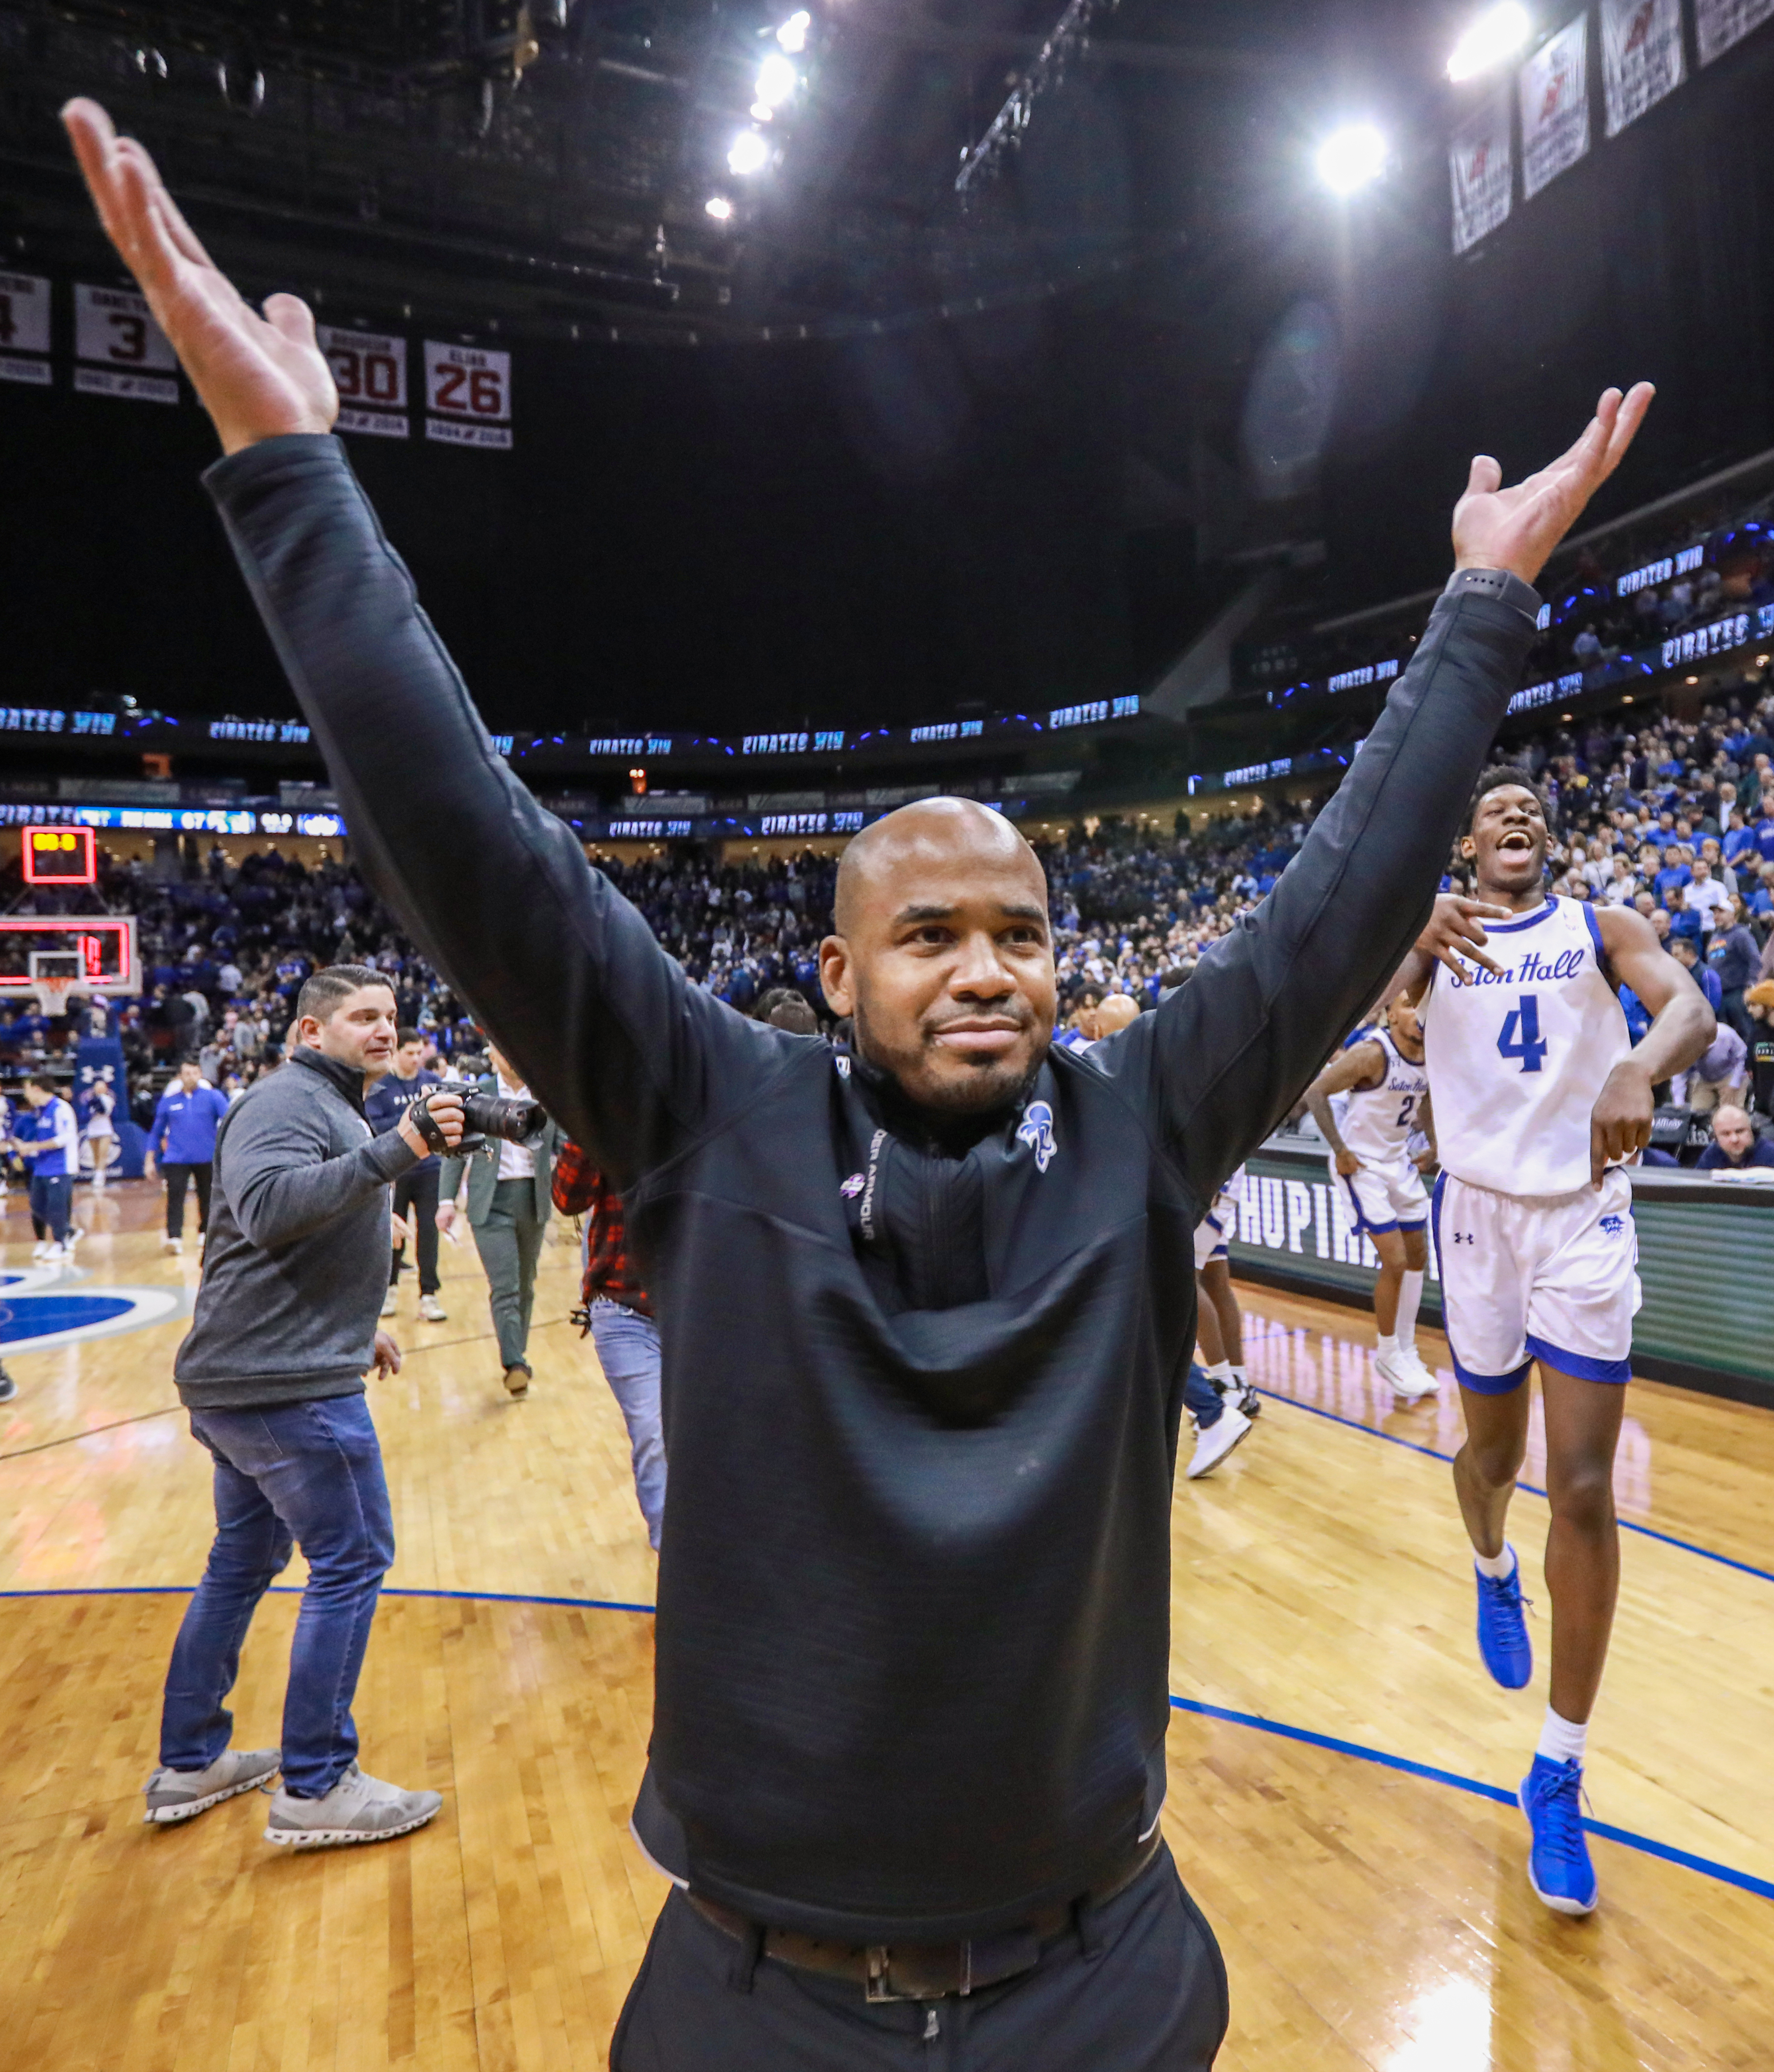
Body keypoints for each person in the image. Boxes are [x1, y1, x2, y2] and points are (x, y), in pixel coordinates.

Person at [64, 96, 1651, 2059]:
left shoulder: (1142, 1119)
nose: (987, 967)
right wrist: (294, 475)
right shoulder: (711, 1105)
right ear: (831, 975)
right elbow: (469, 833)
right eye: (928, 934)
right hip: (760, 1999)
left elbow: (1343, 891)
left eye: (1019, 929)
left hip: (1103, 1977)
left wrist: (1480, 599)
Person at [1399, 770, 1712, 1918]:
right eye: (1492, 808)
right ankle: (1489, 1568)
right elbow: (1363, 1006)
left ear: (1544, 836)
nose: (1515, 815)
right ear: (1465, 841)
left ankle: (1556, 1766)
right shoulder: (1427, 933)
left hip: (1582, 1214)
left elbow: (1684, 1003)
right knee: (1490, 1459)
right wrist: (1399, 952)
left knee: (1578, 1488)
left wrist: (1637, 1060)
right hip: (1476, 1216)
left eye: (1529, 806)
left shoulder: (1599, 926)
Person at [142, 963, 466, 1845]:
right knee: (352, 1561)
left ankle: (189, 1761)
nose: (383, 1029)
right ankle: (317, 1784)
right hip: (285, 1390)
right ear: (309, 1033)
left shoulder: (325, 1105)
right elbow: (269, 1207)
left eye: (391, 1016)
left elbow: (292, 1242)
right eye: (362, 1016)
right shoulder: (288, 1100)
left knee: (241, 1564)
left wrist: (353, 1327)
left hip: (258, 1372)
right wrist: (397, 1150)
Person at [1302, 992, 1440, 1403]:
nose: (1419, 1014)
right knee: (1395, 1260)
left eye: (1425, 1006)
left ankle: (1407, 1350)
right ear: (1391, 1013)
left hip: (1398, 1162)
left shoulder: (1432, 1051)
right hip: (1361, 1164)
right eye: (1411, 1005)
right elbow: (1315, 1093)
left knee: (1418, 1258)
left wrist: (1434, 1145)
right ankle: (1387, 1354)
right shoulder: (1371, 1054)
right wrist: (1340, 1149)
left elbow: (1426, 1100)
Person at [552, 1138, 667, 1549]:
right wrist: (585, 1114)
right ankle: (672, 1564)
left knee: (711, 1438)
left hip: (701, 1309)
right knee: (653, 1432)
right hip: (623, 1309)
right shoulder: (606, 1107)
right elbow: (567, 1198)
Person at [437, 1044, 563, 1398]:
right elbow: (456, 1151)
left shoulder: (546, 1095)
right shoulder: (478, 1096)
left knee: (527, 1283)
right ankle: (514, 1362)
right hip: (490, 1204)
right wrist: (447, 1200)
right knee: (506, 1284)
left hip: (533, 1199)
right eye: (506, 1051)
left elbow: (565, 1144)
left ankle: (517, 1356)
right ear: (493, 1055)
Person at [364, 1026, 448, 1322]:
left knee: (429, 1232)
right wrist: (412, 1118)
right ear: (397, 1053)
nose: (415, 1059)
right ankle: (389, 1290)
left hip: (430, 1169)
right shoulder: (380, 1085)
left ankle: (429, 1295)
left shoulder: (433, 1082)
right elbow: (375, 1127)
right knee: (391, 1234)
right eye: (409, 1053)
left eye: (418, 1053)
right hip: (394, 1171)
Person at [148, 1057, 232, 1255]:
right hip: (176, 1158)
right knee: (175, 1196)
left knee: (208, 1196)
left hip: (207, 1156)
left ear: (200, 1074)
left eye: (195, 1073)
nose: (191, 1077)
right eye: (187, 1073)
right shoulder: (169, 1102)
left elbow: (229, 1120)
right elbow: (156, 1132)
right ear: (180, 1076)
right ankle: (174, 1237)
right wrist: (149, 1159)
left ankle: (205, 1232)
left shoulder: (214, 1097)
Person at [13, 1072, 80, 1264]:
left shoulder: (61, 1109)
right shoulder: (40, 1112)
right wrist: (25, 1149)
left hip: (61, 1166)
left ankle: (61, 1243)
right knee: (37, 1206)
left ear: (37, 1089)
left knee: (57, 1207)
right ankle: (69, 1232)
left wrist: (34, 1147)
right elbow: (41, 1141)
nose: (25, 1096)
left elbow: (66, 1138)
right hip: (42, 1167)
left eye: (27, 1090)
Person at [1695, 1103, 1774, 1171]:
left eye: (1740, 1131)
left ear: (1752, 1130)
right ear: (1715, 1138)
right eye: (1726, 1134)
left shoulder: (1770, 1153)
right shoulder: (1712, 1154)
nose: (1734, 1139)